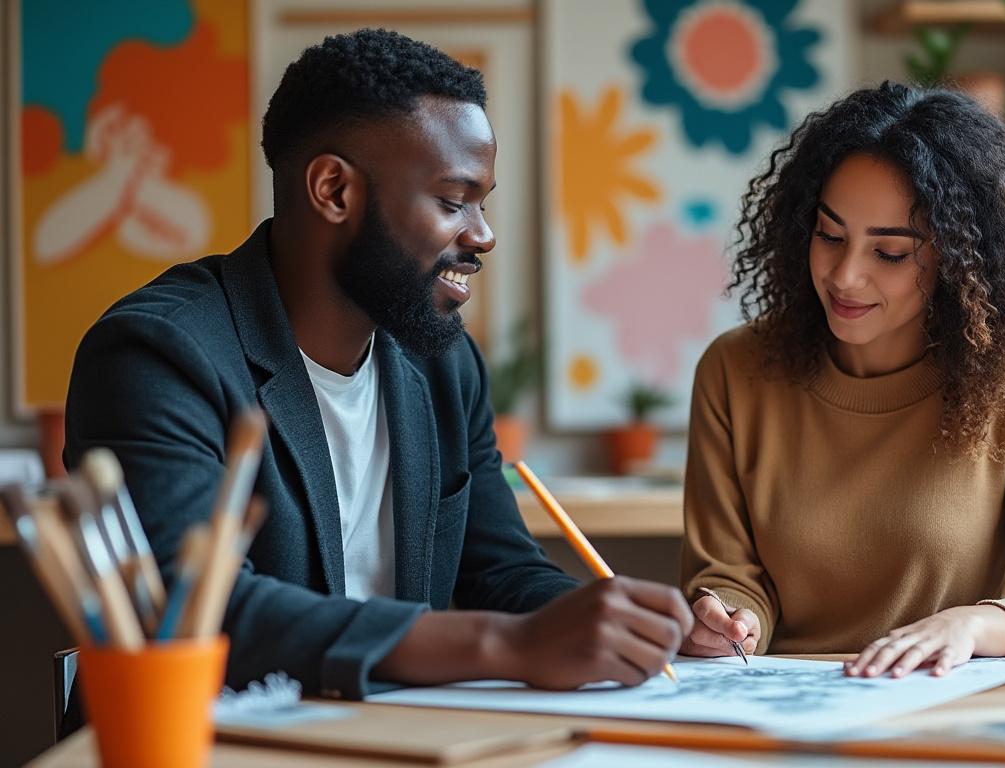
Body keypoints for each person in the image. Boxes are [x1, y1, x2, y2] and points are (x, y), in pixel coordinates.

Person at [64, 28, 691, 698]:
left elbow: (498, 572)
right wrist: (504, 645)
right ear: (334, 190)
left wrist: (630, 628)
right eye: (454, 200)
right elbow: (188, 613)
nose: (483, 234)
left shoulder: (444, 363)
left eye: (483, 201)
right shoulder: (158, 353)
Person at [679, 82, 1005, 677]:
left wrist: (972, 625)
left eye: (889, 253)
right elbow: (728, 575)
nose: (846, 276)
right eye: (830, 236)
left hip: (947, 706)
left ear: (962, 258)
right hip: (791, 710)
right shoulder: (735, 371)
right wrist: (728, 621)